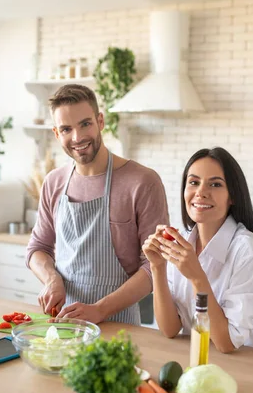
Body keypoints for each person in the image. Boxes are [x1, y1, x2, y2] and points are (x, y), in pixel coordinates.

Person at [26, 83, 169, 325]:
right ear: (56, 133)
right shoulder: (53, 182)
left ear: (100, 121)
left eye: (85, 124)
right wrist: (52, 279)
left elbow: (155, 267)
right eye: (66, 129)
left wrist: (100, 310)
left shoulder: (143, 182)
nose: (78, 137)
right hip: (63, 324)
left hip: (120, 326)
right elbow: (37, 248)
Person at [142, 147, 253, 352]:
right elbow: (170, 328)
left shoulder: (251, 254)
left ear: (232, 196)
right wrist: (157, 267)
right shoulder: (181, 243)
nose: (201, 192)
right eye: (193, 182)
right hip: (196, 364)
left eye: (215, 184)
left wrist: (197, 277)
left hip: (246, 370)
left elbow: (226, 342)